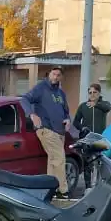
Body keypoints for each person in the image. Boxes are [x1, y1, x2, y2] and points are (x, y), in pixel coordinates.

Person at [21, 66, 72, 198]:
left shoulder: (61, 93)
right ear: (48, 75)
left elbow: (66, 111)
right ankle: (63, 191)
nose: (55, 77)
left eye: (58, 75)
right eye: (53, 74)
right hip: (46, 129)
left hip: (60, 131)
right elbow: (24, 99)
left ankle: (51, 189)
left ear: (61, 77)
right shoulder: (41, 88)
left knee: (53, 161)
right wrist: (32, 114)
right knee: (59, 158)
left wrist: (68, 119)